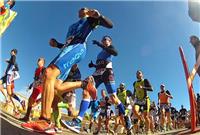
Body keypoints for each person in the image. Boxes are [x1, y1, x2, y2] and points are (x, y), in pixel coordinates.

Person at [21, 7, 113, 134]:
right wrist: (56, 44)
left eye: (85, 9)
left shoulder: (90, 20)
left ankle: (45, 121)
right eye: (81, 9)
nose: (82, 10)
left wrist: (99, 16)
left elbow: (110, 25)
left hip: (78, 47)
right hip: (66, 50)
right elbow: (66, 44)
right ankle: (84, 84)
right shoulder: (71, 27)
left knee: (49, 72)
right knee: (56, 87)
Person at [19, 58, 45, 122]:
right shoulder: (36, 69)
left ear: (43, 62)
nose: (38, 61)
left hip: (39, 87)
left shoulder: (44, 69)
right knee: (31, 102)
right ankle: (27, 116)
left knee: (30, 100)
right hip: (35, 86)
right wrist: (31, 85)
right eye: (38, 60)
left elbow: (46, 78)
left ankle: (27, 117)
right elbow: (35, 79)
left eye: (40, 60)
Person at [0, 49, 25, 114]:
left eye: (11, 51)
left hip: (9, 77)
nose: (10, 52)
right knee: (2, 87)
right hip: (6, 76)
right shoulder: (12, 60)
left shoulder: (13, 57)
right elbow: (15, 66)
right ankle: (7, 99)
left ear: (13, 52)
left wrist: (12, 78)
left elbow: (14, 63)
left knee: (10, 94)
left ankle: (21, 101)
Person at [132, 70, 153, 134]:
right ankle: (141, 120)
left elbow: (151, 89)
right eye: (137, 73)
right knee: (134, 110)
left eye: (139, 73)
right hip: (138, 100)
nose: (138, 74)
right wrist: (133, 95)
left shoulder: (145, 80)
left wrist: (143, 87)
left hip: (145, 99)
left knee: (146, 116)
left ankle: (148, 131)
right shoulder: (134, 83)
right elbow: (134, 91)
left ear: (142, 75)